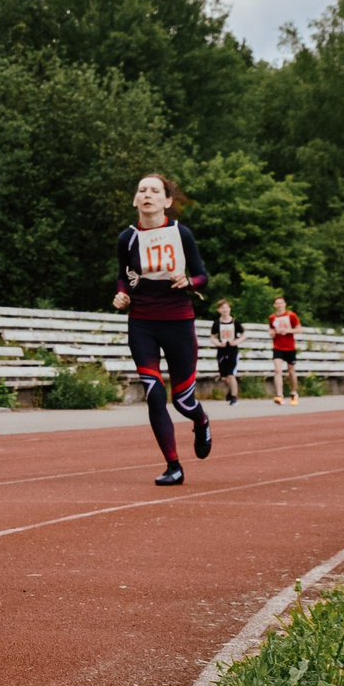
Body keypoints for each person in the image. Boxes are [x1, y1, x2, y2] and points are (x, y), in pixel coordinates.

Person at [111, 174, 214, 484]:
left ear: (167, 201)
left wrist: (190, 282)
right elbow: (123, 276)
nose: (147, 195)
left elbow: (202, 276)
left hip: (179, 321)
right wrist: (122, 294)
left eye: (155, 191)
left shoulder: (181, 234)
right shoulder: (126, 238)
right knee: (154, 394)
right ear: (134, 200)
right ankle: (173, 465)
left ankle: (201, 420)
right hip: (142, 321)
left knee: (183, 401)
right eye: (142, 190)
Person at [266, 295, 302, 404]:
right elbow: (271, 330)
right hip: (277, 347)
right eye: (277, 303)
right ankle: (279, 395)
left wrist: (288, 331)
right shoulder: (272, 317)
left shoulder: (291, 315)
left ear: (284, 304)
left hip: (290, 347)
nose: (279, 305)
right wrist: (272, 333)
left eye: (281, 303)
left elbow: (299, 329)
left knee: (291, 371)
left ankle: (294, 392)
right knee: (277, 370)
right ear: (274, 305)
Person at [209, 298, 243, 406]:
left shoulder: (235, 322)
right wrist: (218, 343)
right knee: (224, 377)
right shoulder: (217, 323)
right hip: (221, 351)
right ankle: (230, 391)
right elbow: (212, 337)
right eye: (222, 308)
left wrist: (236, 341)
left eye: (227, 307)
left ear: (230, 309)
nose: (225, 310)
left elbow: (244, 334)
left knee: (231, 374)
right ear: (219, 310)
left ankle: (234, 397)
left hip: (232, 350)